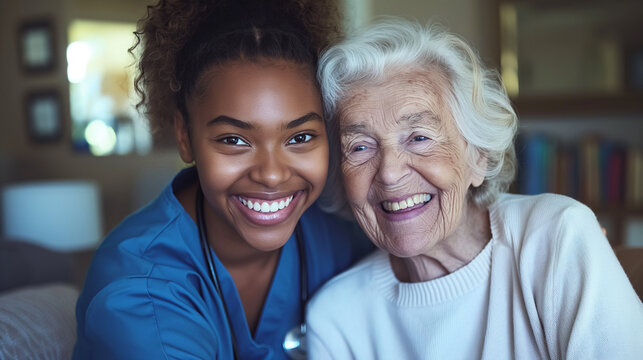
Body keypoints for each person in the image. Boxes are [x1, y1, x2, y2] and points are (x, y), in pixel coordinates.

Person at [307, 18, 643, 359]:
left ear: (478, 157)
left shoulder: (556, 238)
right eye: (360, 147)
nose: (390, 173)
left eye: (420, 138)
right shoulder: (337, 318)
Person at [73, 1, 372, 359]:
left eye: (300, 137)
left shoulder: (344, 237)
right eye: (234, 140)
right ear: (185, 136)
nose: (272, 174)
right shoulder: (138, 295)